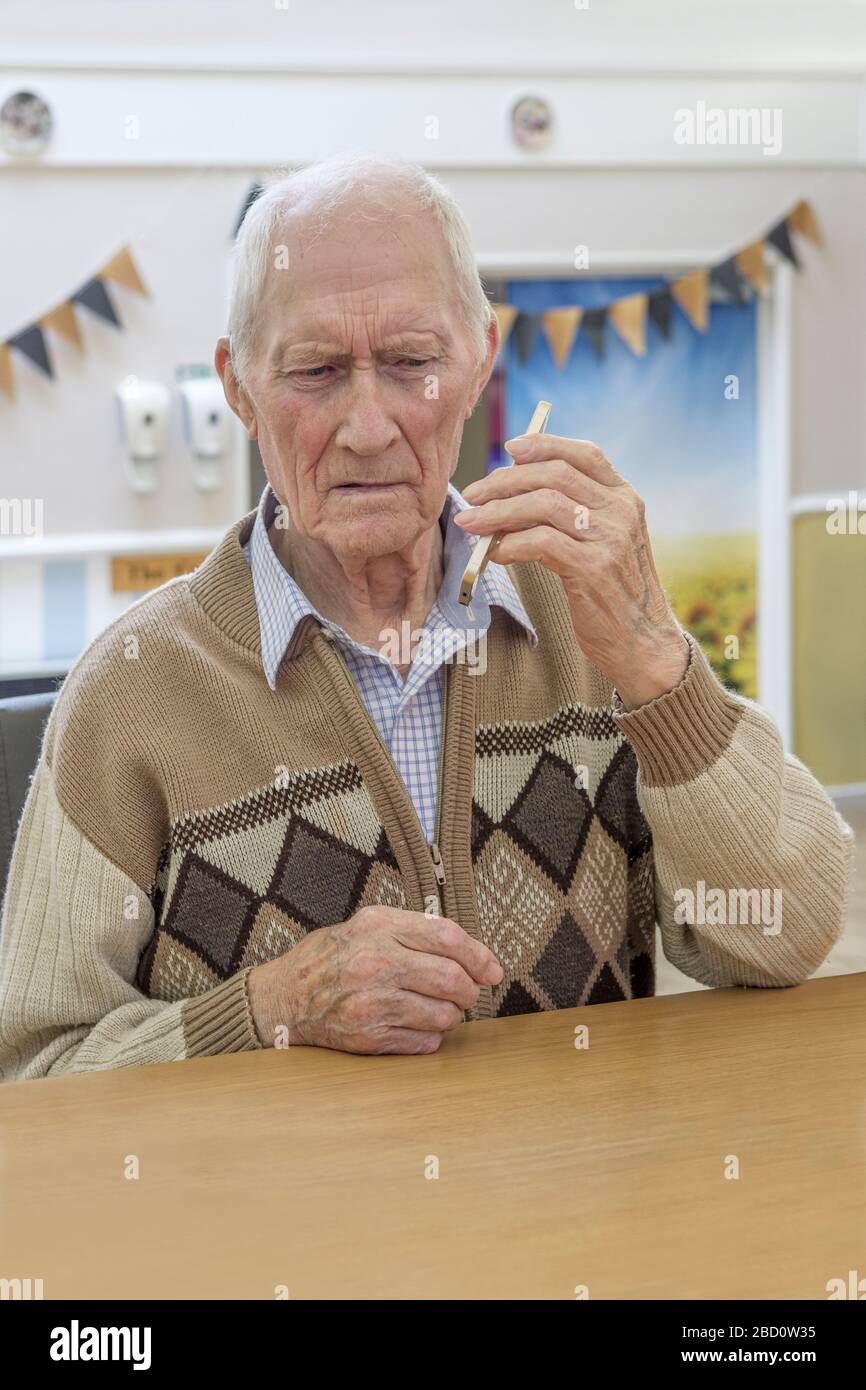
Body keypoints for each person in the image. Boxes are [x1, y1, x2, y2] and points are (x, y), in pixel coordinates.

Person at [0, 152, 853, 1079]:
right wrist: (268, 1008)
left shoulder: (588, 618)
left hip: (583, 1201)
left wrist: (655, 665)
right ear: (239, 387)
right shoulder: (131, 693)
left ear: (482, 359)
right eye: (317, 370)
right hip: (291, 1225)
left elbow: (785, 941)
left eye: (412, 364)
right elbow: (38, 1073)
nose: (369, 427)